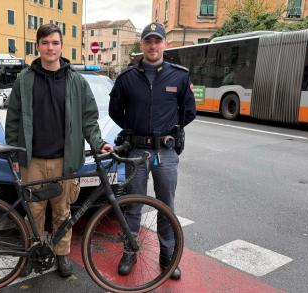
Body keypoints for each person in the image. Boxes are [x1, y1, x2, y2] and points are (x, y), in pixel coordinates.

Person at [5, 23, 113, 278]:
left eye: (55, 43)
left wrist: (98, 143)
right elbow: (14, 119)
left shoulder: (76, 81)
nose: (50, 47)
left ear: (62, 46)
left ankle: (62, 255)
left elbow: (89, 118)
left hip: (65, 160)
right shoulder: (25, 79)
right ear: (38, 46)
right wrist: (14, 154)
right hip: (33, 161)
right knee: (34, 212)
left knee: (63, 212)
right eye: (45, 43)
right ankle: (34, 252)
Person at [108, 22, 196, 280]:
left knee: (166, 205)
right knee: (133, 203)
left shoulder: (179, 76)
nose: (153, 46)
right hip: (136, 150)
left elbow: (188, 111)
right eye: (148, 41)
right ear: (142, 45)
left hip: (166, 153)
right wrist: (134, 128)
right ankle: (130, 251)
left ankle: (167, 255)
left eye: (158, 41)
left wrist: (170, 130)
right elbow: (115, 110)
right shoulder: (126, 78)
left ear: (164, 45)